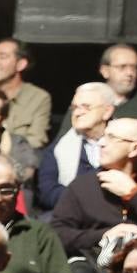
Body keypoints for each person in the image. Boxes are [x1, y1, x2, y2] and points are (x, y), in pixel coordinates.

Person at [50, 118, 137, 262]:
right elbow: (56, 234)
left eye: (111, 137)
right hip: (92, 266)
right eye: (103, 136)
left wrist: (134, 194)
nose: (101, 143)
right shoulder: (82, 186)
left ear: (135, 149)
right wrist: (104, 235)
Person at [37, 82, 117, 212]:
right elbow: (47, 192)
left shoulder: (128, 143)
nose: (77, 113)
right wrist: (84, 202)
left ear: (107, 112)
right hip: (70, 215)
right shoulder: (59, 148)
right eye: (74, 107)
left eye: (86, 107)